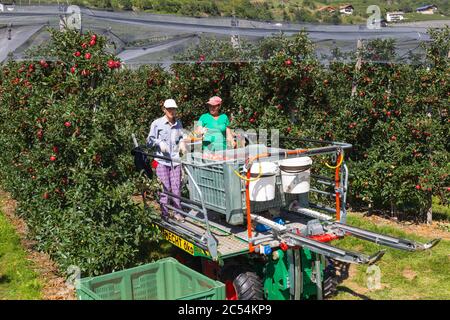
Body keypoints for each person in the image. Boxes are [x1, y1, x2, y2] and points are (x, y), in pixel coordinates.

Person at [147, 99, 186, 222]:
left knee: (176, 187)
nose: (171, 111)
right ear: (164, 109)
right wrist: (159, 143)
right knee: (164, 188)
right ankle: (164, 213)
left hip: (175, 160)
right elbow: (149, 141)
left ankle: (177, 213)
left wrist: (182, 142)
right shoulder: (157, 123)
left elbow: (181, 136)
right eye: (169, 109)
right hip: (162, 161)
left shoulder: (178, 123)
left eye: (173, 109)